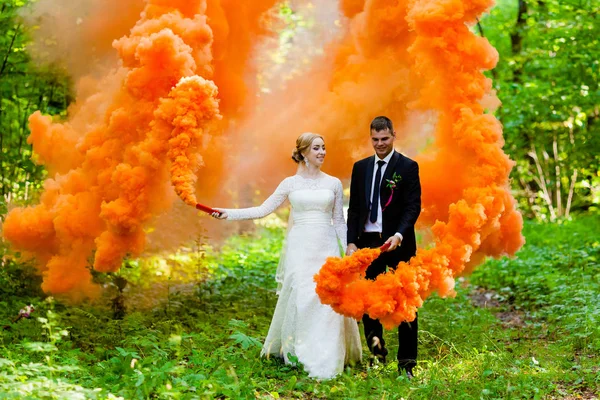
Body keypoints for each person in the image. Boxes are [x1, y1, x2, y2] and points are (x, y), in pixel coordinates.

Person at [211, 133, 362, 379]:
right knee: (303, 296)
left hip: (326, 247)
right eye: (316, 148)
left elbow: (339, 221)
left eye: (324, 148)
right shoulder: (289, 184)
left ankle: (328, 355)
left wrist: (348, 249)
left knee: (326, 300)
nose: (322, 152)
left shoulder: (333, 183)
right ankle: (300, 351)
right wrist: (227, 213)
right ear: (303, 153)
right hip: (300, 247)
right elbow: (262, 210)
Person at [346, 116, 422, 379]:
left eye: (384, 139)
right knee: (369, 301)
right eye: (375, 139)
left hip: (398, 244)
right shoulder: (361, 168)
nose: (379, 144)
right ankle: (377, 352)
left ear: (393, 135)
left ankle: (407, 364)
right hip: (368, 243)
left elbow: (413, 206)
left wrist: (400, 234)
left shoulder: (408, 167)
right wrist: (351, 241)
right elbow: (355, 208)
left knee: (406, 302)